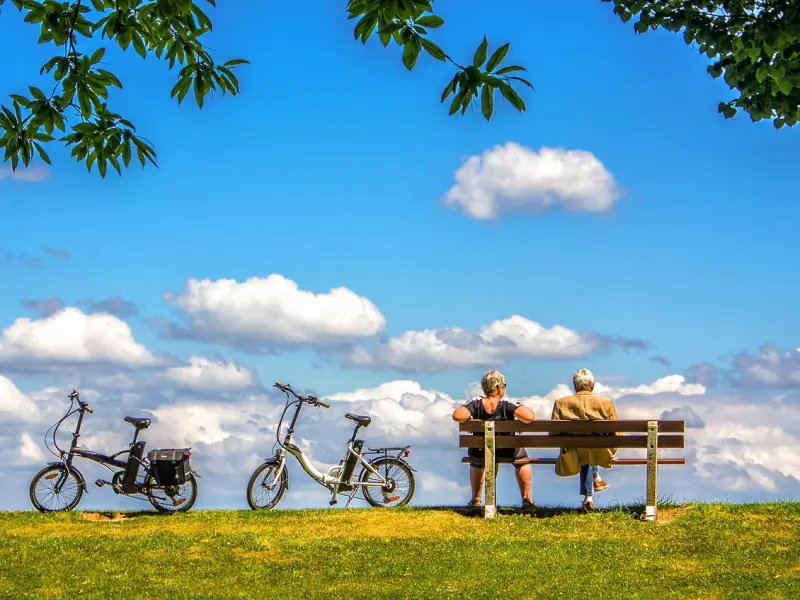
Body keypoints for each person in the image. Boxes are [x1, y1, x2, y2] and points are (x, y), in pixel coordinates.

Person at [452, 369, 536, 509]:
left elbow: (457, 416)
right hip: (507, 451)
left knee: (477, 461)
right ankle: (526, 498)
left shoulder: (476, 403)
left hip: (481, 451)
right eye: (504, 385)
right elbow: (529, 416)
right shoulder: (507, 403)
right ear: (498, 387)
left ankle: (476, 499)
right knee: (523, 461)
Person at [550, 368, 619, 512]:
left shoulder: (561, 403)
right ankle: (594, 481)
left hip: (573, 453)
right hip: (599, 451)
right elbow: (617, 433)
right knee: (589, 449)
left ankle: (589, 497)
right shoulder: (606, 403)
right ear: (592, 386)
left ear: (575, 386)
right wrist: (611, 451)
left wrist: (566, 444)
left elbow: (553, 433)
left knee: (583, 450)